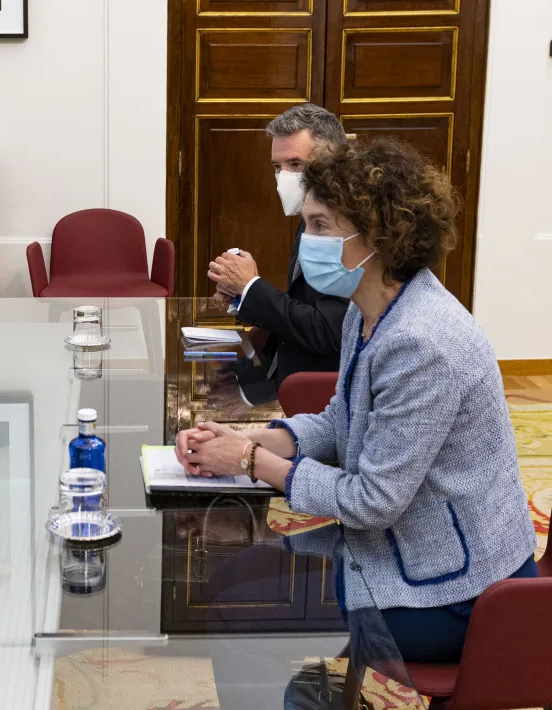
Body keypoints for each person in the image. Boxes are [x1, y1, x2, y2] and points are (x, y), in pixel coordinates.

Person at [176, 138, 536, 663]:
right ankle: (306, 696)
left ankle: (302, 696)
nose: (306, 240)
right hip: (399, 547)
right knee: (231, 575)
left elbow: (371, 502)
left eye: (321, 225)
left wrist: (251, 461)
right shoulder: (366, 310)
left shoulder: (423, 342)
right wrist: (248, 438)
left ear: (379, 235)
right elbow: (340, 420)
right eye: (307, 224)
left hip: (454, 588)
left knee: (243, 606)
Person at [207, 103, 350, 389]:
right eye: (277, 167)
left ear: (334, 163)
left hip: (319, 388)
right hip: (283, 370)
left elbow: (327, 332)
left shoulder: (347, 228)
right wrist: (243, 294)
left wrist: (251, 287)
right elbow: (304, 304)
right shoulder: (311, 217)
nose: (283, 177)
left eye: (295, 165)